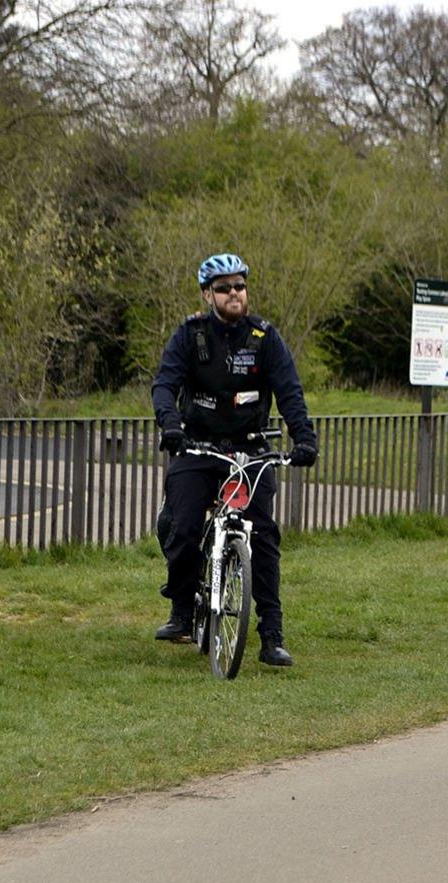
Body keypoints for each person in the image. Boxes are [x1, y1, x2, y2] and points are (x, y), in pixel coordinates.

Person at [151, 253, 318, 667]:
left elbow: (290, 393)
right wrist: (171, 426)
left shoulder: (264, 337)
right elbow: (165, 385)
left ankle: (271, 635)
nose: (234, 294)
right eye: (224, 288)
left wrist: (304, 439)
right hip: (198, 446)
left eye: (239, 286)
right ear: (208, 294)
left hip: (250, 449)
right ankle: (182, 611)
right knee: (183, 526)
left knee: (264, 536)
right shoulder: (190, 335)